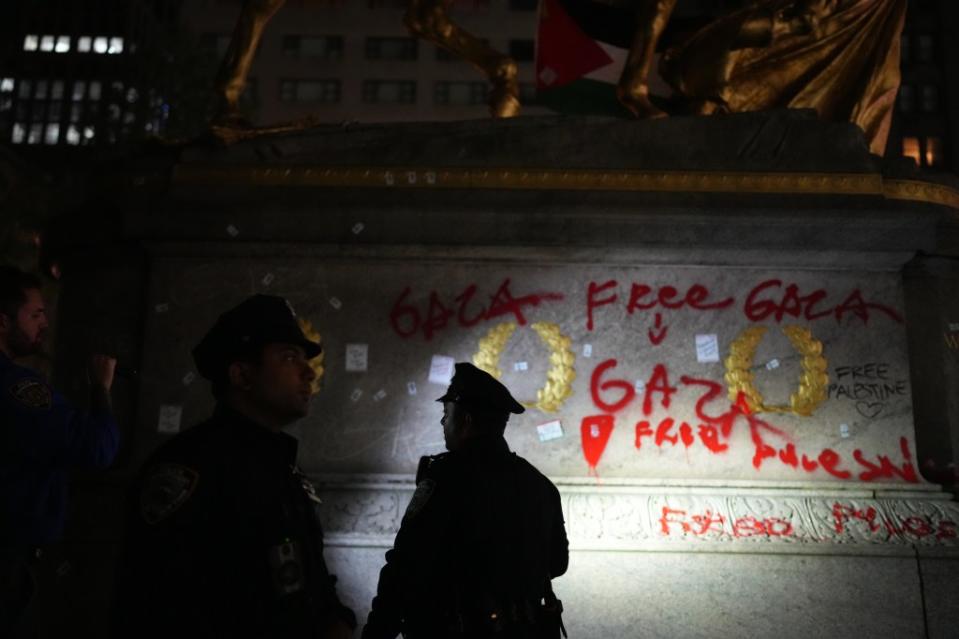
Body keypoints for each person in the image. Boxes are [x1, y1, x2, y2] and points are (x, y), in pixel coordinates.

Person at [115, 294, 355, 639]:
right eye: (290, 357)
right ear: (242, 375)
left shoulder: (281, 464)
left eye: (305, 359)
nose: (308, 371)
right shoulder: (190, 466)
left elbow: (304, 573)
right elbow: (157, 602)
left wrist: (336, 619)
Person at [362, 363, 569, 639]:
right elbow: (557, 563)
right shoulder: (540, 484)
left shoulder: (445, 479)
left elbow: (405, 568)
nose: (442, 423)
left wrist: (376, 632)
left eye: (446, 414)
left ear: (466, 420)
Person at [0, 264, 119, 638]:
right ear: (3, 321)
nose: (44, 324)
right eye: (35, 314)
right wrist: (101, 388)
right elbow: (96, 448)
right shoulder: (18, 388)